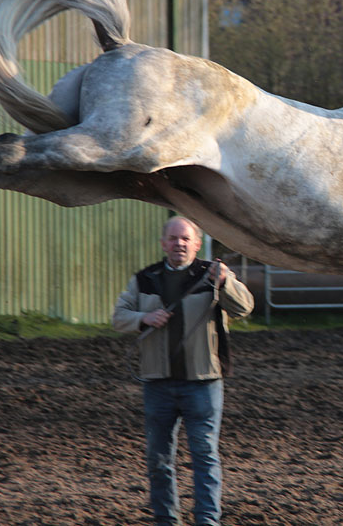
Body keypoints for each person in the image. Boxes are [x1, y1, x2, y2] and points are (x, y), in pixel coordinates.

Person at [113, 216, 254, 526]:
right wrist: (143, 318)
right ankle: (166, 519)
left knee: (205, 457)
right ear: (163, 244)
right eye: (174, 238)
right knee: (159, 460)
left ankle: (207, 520)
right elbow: (118, 317)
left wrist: (225, 283)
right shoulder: (145, 279)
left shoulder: (213, 274)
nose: (179, 243)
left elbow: (244, 308)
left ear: (197, 244)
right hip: (157, 383)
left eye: (185, 239)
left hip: (203, 382)